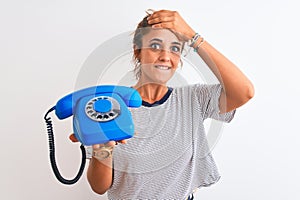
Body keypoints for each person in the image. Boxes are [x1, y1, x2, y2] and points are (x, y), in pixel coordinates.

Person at [71, 9, 254, 199]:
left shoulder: (194, 99)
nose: (166, 57)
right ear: (138, 52)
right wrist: (103, 147)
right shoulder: (110, 107)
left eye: (175, 48)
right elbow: (99, 187)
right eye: (155, 46)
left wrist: (193, 36)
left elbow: (245, 92)